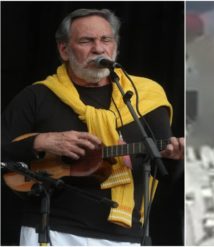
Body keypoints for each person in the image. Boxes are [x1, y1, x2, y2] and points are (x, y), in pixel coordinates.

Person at [1, 8, 184, 246]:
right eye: (86, 41)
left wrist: (175, 157)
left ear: (115, 46)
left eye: (106, 40)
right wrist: (39, 142)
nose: (98, 49)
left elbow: (164, 175)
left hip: (124, 235)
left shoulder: (145, 96)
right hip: (50, 230)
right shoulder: (38, 96)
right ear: (64, 50)